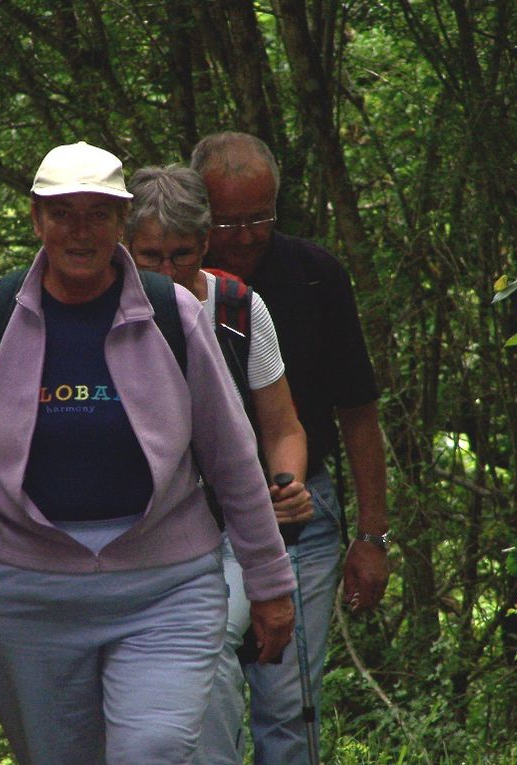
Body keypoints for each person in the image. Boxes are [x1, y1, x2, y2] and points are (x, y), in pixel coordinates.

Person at [0, 141, 297, 765]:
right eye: (63, 214)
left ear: (120, 222)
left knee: (155, 749)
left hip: (164, 588)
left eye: (97, 214)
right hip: (27, 594)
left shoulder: (175, 315)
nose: (79, 231)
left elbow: (233, 458)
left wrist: (270, 584)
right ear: (37, 220)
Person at [191, 132, 391, 765]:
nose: (247, 235)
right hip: (194, 515)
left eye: (260, 218)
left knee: (288, 703)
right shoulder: (165, 281)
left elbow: (358, 413)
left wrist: (373, 536)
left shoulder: (313, 275)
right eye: (228, 221)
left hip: (300, 510)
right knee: (203, 682)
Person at [125, 164, 312, 765]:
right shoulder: (102, 311)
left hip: (231, 529)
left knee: (206, 644)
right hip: (136, 536)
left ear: (205, 245)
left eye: (181, 255)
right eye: (150, 257)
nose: (166, 271)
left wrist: (290, 483)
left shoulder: (237, 309)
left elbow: (282, 427)